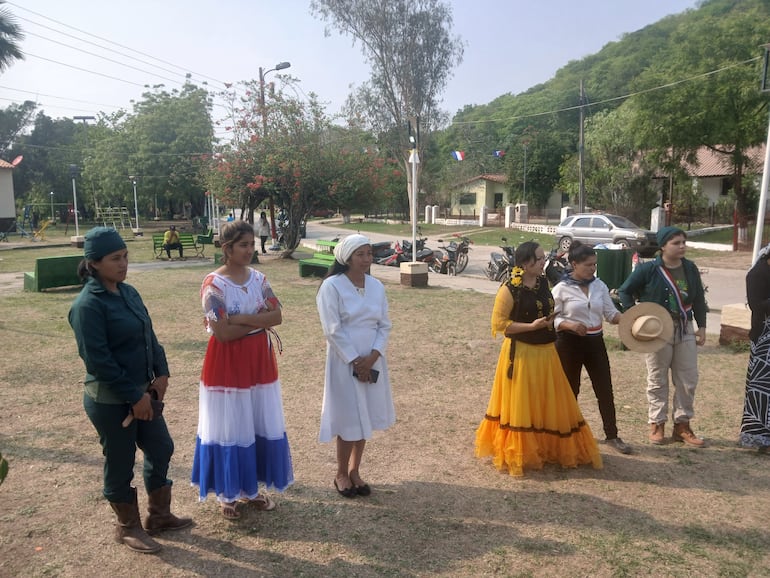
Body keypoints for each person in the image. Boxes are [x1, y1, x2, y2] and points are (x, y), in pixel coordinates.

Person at [68, 227, 191, 555]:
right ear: (93, 263)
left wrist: (161, 373)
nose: (123, 264)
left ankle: (159, 516)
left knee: (161, 447)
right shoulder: (87, 306)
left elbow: (149, 334)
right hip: (110, 402)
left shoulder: (129, 292)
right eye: (115, 259)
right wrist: (133, 396)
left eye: (125, 256)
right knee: (121, 463)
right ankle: (127, 527)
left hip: (143, 394)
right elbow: (99, 362)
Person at [191, 220, 293, 519]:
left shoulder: (259, 279)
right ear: (227, 249)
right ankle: (227, 493)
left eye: (252, 244)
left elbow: (277, 316)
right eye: (243, 245)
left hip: (258, 361)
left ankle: (249, 489)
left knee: (255, 421)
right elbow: (221, 333)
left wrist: (239, 319)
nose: (250, 250)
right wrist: (254, 319)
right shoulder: (213, 285)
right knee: (230, 423)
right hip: (228, 362)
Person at [475, 241, 603, 477]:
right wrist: (531, 326)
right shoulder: (509, 288)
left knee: (547, 399)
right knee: (523, 403)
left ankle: (546, 445)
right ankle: (522, 450)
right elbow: (500, 325)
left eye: (544, 258)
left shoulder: (544, 281)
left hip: (547, 352)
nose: (544, 261)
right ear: (526, 263)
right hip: (522, 354)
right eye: (540, 258)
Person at [316, 234, 395, 498]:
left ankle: (355, 470)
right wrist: (355, 360)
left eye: (369, 254)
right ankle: (340, 472)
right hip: (344, 361)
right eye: (360, 254)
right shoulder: (332, 286)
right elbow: (332, 329)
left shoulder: (376, 286)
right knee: (349, 416)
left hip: (372, 360)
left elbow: (384, 324)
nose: (366, 259)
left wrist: (373, 356)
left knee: (366, 415)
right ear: (347, 257)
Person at [618, 226, 708, 447]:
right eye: (676, 243)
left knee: (688, 379)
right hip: (657, 329)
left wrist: (702, 326)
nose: (682, 246)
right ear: (663, 246)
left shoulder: (690, 268)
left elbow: (698, 299)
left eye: (683, 242)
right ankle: (657, 423)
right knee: (657, 379)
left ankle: (682, 425)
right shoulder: (648, 269)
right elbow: (624, 291)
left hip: (685, 326)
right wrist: (636, 316)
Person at [552, 241, 631, 455]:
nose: (592, 269)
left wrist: (628, 319)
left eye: (594, 264)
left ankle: (612, 435)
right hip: (568, 342)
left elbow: (610, 314)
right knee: (570, 390)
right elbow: (551, 319)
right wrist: (569, 324)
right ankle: (568, 434)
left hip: (595, 341)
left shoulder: (600, 286)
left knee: (604, 388)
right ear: (574, 264)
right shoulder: (561, 288)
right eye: (588, 265)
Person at [740, 244, 770, 451]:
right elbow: (756, 305)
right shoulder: (757, 274)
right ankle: (759, 437)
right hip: (765, 340)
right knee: (762, 388)